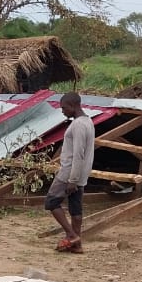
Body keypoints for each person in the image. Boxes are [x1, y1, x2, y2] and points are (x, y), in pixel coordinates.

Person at [45, 92, 94, 254]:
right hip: (81, 172)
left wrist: (72, 179)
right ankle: (77, 246)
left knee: (52, 202)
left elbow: (78, 153)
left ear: (73, 106)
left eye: (64, 108)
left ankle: (72, 235)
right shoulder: (88, 121)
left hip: (69, 172)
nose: (62, 111)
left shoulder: (78, 125)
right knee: (75, 208)